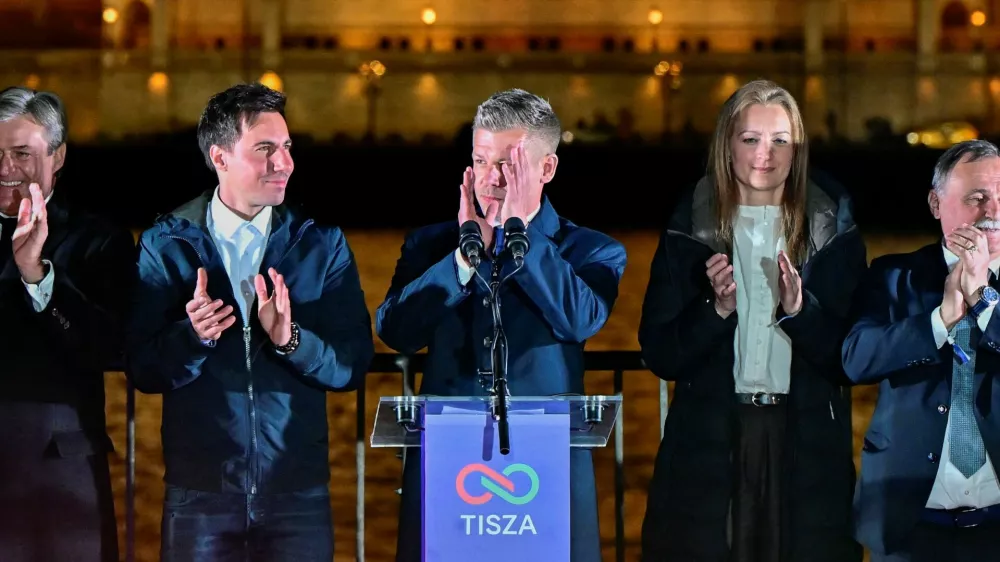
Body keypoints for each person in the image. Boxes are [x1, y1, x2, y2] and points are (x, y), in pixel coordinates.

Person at [375, 88, 627, 562]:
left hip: (546, 476)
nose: (490, 179)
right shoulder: (430, 246)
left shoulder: (592, 250)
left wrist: (521, 234)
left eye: (508, 165)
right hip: (450, 468)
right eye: (480, 161)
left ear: (546, 169)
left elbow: (580, 318)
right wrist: (461, 261)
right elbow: (395, 330)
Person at [125, 82, 374, 561]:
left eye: (287, 147)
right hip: (199, 492)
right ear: (219, 157)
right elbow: (144, 370)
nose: (285, 163)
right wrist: (194, 336)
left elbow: (352, 364)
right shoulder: (166, 244)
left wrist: (291, 340)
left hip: (297, 493)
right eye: (265, 149)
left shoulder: (321, 244)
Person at [638, 79, 865, 562]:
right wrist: (716, 310)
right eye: (751, 139)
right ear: (727, 145)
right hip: (710, 444)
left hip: (806, 447)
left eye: (781, 140)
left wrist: (801, 312)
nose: (766, 154)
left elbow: (851, 358)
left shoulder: (834, 230)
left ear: (797, 149)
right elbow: (661, 354)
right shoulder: (688, 226)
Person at [843, 139, 1000, 561]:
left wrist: (982, 300)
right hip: (909, 526)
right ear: (935, 203)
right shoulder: (894, 276)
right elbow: (856, 359)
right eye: (977, 198)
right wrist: (940, 319)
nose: (993, 211)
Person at [0, 86, 135, 561]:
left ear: (57, 157)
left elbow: (112, 347)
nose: (5, 168)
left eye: (21, 153)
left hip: (59, 477)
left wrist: (37, 277)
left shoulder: (99, 240)